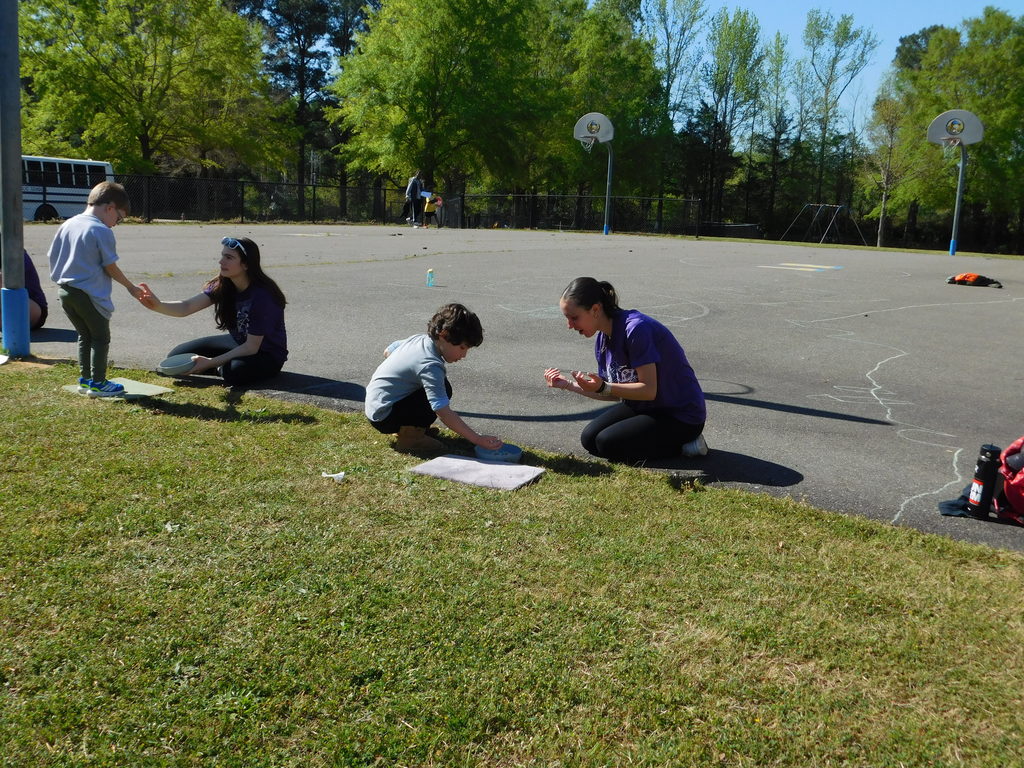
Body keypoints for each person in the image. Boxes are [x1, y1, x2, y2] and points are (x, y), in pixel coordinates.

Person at [543, 277, 707, 463]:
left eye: (574, 318)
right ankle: (659, 441)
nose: (569, 325)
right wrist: (568, 385)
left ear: (595, 310)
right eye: (567, 318)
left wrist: (603, 387)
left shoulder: (636, 330)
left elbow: (648, 390)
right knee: (589, 439)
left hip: (679, 414)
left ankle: (686, 444)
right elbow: (612, 392)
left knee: (607, 444)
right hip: (645, 406)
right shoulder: (603, 339)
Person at [137, 236, 288, 386]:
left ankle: (220, 367)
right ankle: (220, 366)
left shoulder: (262, 296)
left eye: (229, 257)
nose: (221, 261)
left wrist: (209, 363)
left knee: (234, 373)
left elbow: (251, 347)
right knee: (177, 356)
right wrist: (157, 305)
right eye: (222, 256)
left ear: (246, 264)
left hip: (267, 354)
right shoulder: (223, 284)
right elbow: (186, 307)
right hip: (240, 340)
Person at [365, 302, 503, 454]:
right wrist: (477, 439)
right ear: (444, 335)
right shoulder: (430, 365)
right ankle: (411, 439)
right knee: (440, 392)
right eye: (462, 348)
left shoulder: (419, 339)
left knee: (441, 386)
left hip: (376, 407)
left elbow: (388, 351)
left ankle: (410, 429)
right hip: (385, 417)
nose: (463, 355)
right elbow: (442, 411)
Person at [48, 181, 141, 397]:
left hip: (65, 291)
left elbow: (52, 255)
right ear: (110, 208)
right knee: (100, 337)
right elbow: (110, 266)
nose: (116, 224)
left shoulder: (69, 224)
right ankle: (99, 383)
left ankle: (85, 380)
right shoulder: (101, 230)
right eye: (119, 218)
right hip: (88, 293)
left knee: (84, 335)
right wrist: (130, 287)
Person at [0, 251, 48, 330]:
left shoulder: (13, 251)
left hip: (32, 307)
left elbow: (6, 280)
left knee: (11, 293)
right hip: (7, 305)